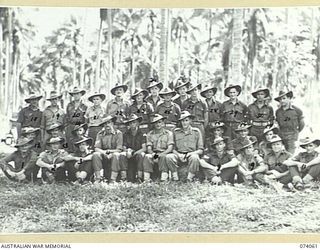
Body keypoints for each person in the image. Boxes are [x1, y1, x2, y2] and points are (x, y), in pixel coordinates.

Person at [166, 111, 204, 182]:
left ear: (190, 121)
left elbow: (200, 150)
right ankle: (175, 177)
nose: (184, 123)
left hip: (191, 154)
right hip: (179, 154)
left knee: (195, 157)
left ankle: (189, 178)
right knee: (169, 157)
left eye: (186, 120)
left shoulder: (196, 132)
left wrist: (190, 154)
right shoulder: (176, 132)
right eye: (182, 121)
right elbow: (173, 148)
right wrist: (178, 154)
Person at [91, 115, 126, 183]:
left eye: (109, 122)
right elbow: (96, 148)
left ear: (112, 123)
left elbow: (119, 149)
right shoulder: (100, 134)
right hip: (103, 154)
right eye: (105, 124)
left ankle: (113, 179)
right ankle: (99, 178)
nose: (107, 125)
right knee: (95, 154)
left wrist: (109, 152)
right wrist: (104, 153)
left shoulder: (118, 133)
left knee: (116, 155)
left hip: (114, 153)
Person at [143, 114, 174, 182]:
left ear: (163, 123)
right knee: (147, 156)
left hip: (164, 152)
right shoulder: (150, 134)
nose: (158, 124)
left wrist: (161, 154)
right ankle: (146, 179)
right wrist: (154, 155)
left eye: (159, 122)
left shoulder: (168, 133)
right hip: (154, 153)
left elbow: (170, 148)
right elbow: (149, 148)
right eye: (155, 123)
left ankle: (164, 178)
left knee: (163, 157)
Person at [121, 114, 146, 182]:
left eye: (134, 122)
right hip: (129, 155)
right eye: (130, 123)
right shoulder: (126, 134)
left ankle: (139, 177)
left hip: (138, 154)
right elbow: (124, 146)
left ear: (137, 123)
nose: (132, 124)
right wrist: (127, 151)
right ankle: (124, 178)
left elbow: (144, 148)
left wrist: (134, 153)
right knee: (122, 155)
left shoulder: (142, 133)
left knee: (141, 155)